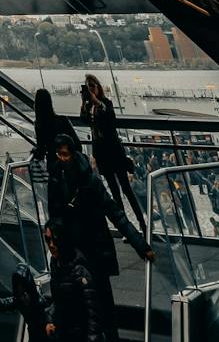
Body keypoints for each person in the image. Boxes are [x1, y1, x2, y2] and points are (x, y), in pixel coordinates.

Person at [47, 130, 153, 341]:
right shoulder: (56, 179)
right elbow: (54, 215)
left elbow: (115, 213)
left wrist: (141, 245)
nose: (62, 159)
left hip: (94, 250)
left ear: (73, 153)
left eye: (65, 154)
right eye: (59, 155)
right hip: (73, 251)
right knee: (83, 307)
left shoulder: (90, 181)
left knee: (103, 304)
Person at [0, 224, 109, 342]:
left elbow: (92, 310)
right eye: (47, 239)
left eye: (55, 240)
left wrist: (92, 338)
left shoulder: (79, 271)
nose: (51, 245)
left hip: (80, 332)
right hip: (67, 331)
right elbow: (58, 301)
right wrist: (50, 320)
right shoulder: (56, 264)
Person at [79, 73, 140, 224]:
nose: (91, 89)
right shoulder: (89, 107)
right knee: (115, 192)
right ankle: (126, 226)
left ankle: (142, 223)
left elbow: (110, 118)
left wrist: (97, 102)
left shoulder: (106, 103)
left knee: (126, 189)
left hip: (114, 152)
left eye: (92, 86)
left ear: (99, 87)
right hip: (101, 155)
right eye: (88, 87)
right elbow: (84, 120)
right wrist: (84, 103)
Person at [31, 86, 80, 166]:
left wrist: (34, 151)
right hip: (70, 163)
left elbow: (41, 150)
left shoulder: (40, 125)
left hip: (54, 163)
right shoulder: (63, 120)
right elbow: (77, 144)